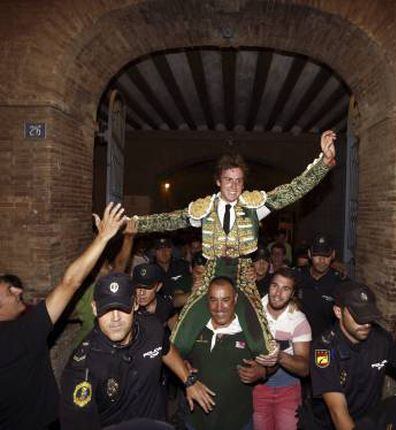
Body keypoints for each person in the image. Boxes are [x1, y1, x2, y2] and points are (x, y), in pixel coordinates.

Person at [132, 131, 337, 357]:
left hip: (243, 273)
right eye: (228, 180)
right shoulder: (204, 208)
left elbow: (291, 191)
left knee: (262, 344)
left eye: (239, 181)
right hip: (212, 271)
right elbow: (169, 219)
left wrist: (324, 163)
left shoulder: (254, 205)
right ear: (219, 181)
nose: (234, 186)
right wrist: (132, 225)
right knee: (182, 336)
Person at [0, 202, 127, 430]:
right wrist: (103, 237)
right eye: (9, 291)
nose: (19, 290)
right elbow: (70, 283)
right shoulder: (20, 335)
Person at [60, 272, 215, 430]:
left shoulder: (152, 328)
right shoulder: (82, 370)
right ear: (94, 308)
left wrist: (188, 380)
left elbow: (165, 349)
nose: (115, 318)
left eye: (122, 308)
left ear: (134, 304)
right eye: (107, 309)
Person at [310, 281, 396, 430]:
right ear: (338, 312)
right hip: (330, 425)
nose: (366, 324)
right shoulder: (324, 350)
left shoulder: (381, 339)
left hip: (369, 420)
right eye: (359, 317)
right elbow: (338, 412)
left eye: (369, 316)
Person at [185, 276, 258, 430]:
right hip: (197, 419)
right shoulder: (193, 327)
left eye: (225, 299)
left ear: (236, 299)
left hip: (237, 420)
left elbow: (271, 359)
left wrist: (263, 371)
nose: (219, 307)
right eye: (213, 300)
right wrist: (184, 370)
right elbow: (174, 354)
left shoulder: (251, 328)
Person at [251, 268, 311, 430]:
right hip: (257, 388)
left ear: (292, 294)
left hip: (288, 390)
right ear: (268, 285)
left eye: (285, 289)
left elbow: (305, 368)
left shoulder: (298, 321)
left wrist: (279, 357)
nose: (277, 293)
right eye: (275, 286)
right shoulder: (254, 311)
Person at [73, 218, 138, 347]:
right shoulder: (84, 291)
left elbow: (119, 266)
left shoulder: (107, 283)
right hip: (87, 347)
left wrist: (128, 238)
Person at [296, 233, 345, 339]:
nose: (321, 260)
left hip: (325, 344)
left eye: (326, 255)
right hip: (298, 341)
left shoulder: (341, 283)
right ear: (309, 254)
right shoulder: (298, 275)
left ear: (333, 255)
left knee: (322, 356)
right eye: (317, 255)